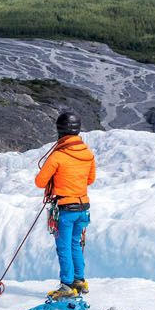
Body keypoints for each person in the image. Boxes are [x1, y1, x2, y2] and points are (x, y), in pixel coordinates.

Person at [35, 111, 96, 299]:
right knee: (75, 244)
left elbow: (40, 181)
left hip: (65, 207)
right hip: (83, 206)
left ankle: (67, 285)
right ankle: (79, 280)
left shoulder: (58, 156)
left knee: (64, 247)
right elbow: (90, 179)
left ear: (59, 130)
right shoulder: (88, 154)